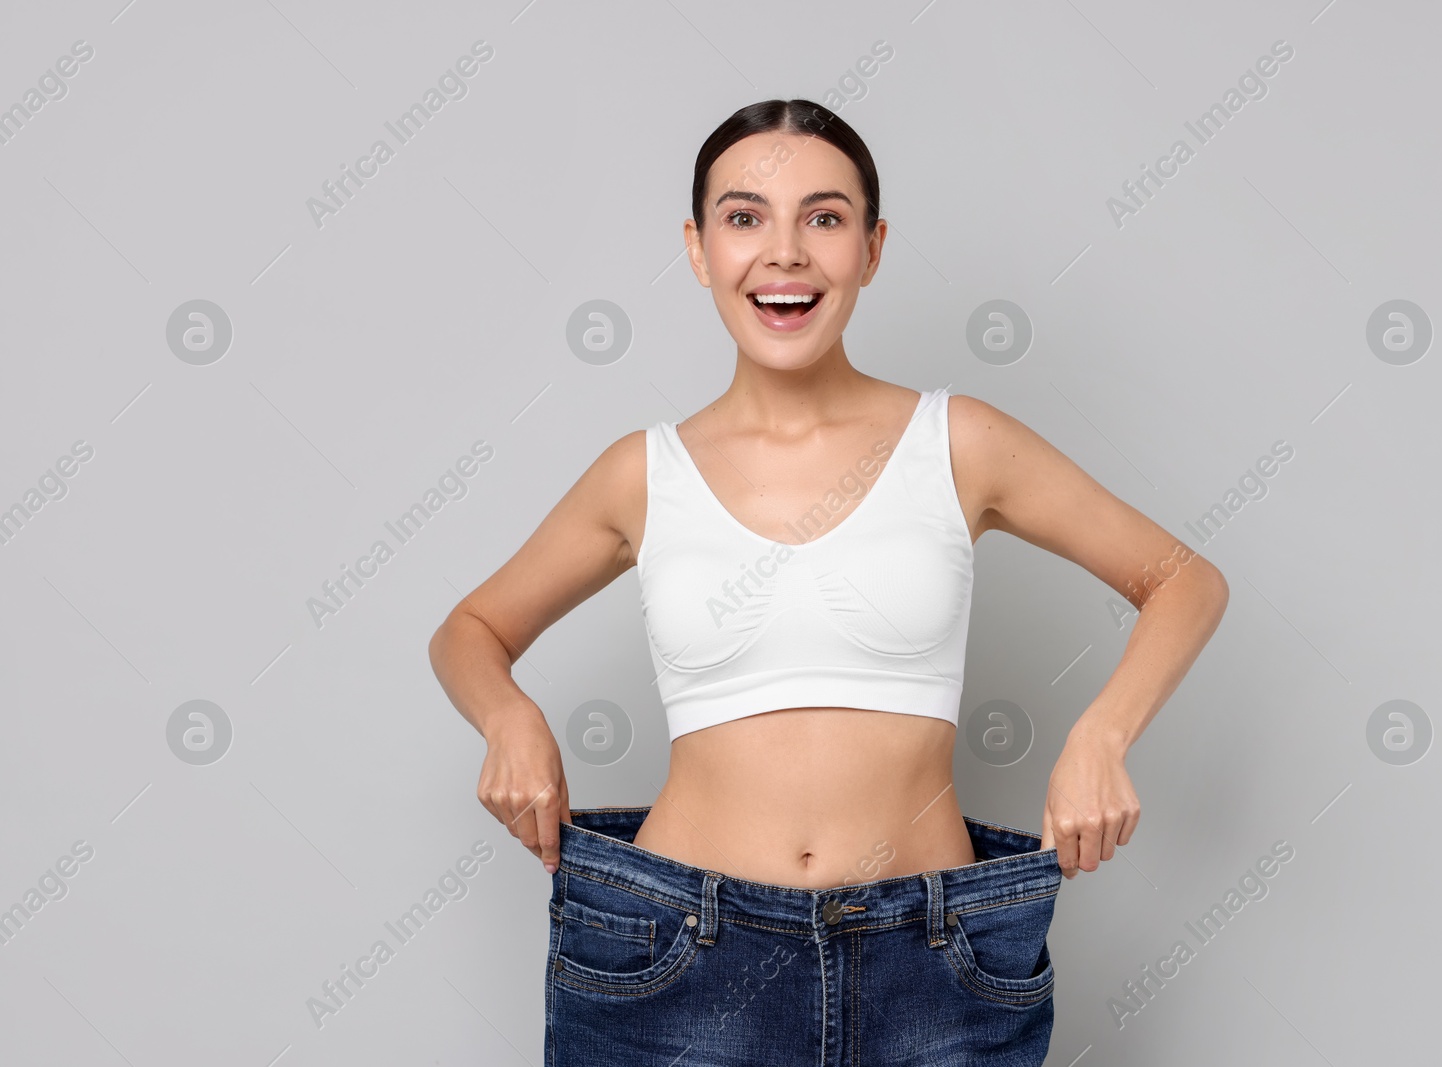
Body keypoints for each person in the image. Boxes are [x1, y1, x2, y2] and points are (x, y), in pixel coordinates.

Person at [428, 98, 1229, 1066]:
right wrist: (509, 715)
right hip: (679, 954)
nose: (784, 253)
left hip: (932, 960)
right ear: (697, 247)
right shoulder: (642, 472)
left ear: (871, 245)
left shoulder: (958, 440)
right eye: (743, 216)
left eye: (823, 216)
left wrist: (1101, 736)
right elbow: (470, 626)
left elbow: (1182, 580)